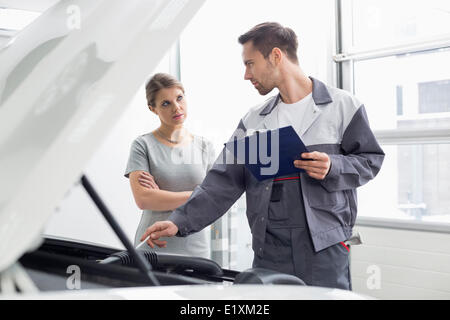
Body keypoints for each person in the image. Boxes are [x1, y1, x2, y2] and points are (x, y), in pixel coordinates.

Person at [140, 22, 385, 290]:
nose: (246, 74)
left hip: (324, 248)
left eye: (250, 63)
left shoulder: (343, 107)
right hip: (270, 251)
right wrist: (178, 221)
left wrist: (334, 166)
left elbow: (370, 159)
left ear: (276, 56)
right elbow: (222, 182)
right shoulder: (255, 121)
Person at [124, 73, 215, 259]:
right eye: (166, 103)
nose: (176, 107)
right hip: (153, 248)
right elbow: (143, 199)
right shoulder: (143, 145)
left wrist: (161, 195)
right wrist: (197, 195)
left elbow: (214, 200)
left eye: (179, 98)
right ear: (153, 109)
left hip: (196, 250)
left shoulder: (204, 146)